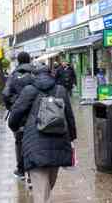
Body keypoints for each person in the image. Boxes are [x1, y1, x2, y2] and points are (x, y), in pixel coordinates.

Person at [9, 65, 77, 203]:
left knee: (41, 192)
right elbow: (69, 117)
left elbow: (15, 114)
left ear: (34, 75)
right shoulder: (60, 90)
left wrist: (16, 128)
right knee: (47, 188)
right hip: (59, 142)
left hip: (35, 144)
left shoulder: (29, 90)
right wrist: (71, 137)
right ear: (51, 74)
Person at [2, 52, 35, 179]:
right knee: (34, 140)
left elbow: (5, 94)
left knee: (19, 140)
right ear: (29, 60)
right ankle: (33, 171)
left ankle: (21, 170)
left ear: (19, 61)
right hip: (33, 113)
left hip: (19, 115)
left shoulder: (14, 76)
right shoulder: (34, 75)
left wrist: (12, 107)